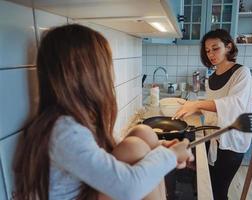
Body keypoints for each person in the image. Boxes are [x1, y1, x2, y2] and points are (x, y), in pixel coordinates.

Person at [13, 24, 192, 200]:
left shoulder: (69, 122)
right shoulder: (64, 131)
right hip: (114, 190)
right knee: (134, 147)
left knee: (142, 132)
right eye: (106, 67)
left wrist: (160, 151)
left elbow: (104, 158)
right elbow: (128, 188)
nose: (110, 76)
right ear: (89, 76)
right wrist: (171, 155)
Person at [173, 29, 252, 200]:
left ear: (228, 47)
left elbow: (235, 104)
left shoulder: (241, 73)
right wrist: (193, 107)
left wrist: (198, 104)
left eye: (215, 48)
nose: (211, 54)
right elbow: (215, 106)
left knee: (219, 190)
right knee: (210, 186)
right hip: (213, 137)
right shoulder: (212, 77)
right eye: (207, 50)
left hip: (231, 141)